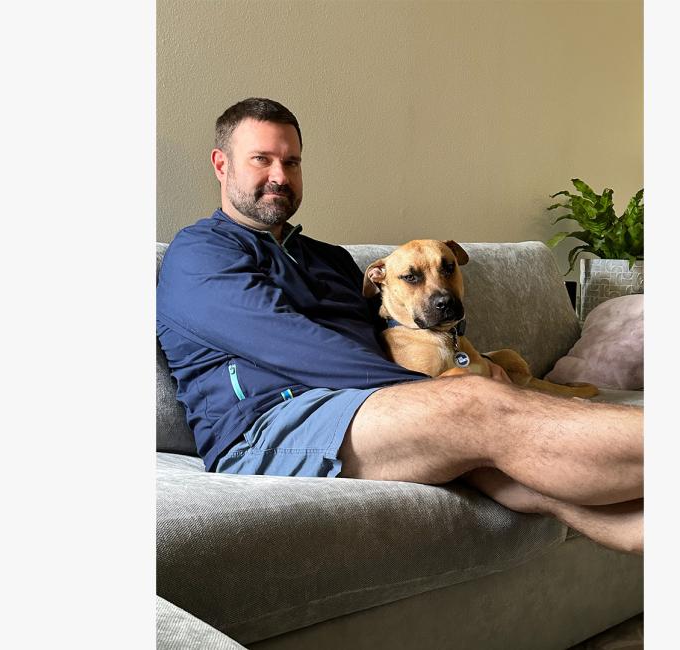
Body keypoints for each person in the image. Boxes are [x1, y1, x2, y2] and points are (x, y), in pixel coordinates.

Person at [157, 98, 643, 554]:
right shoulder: (200, 253)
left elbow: (393, 335)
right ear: (222, 165)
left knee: (538, 486)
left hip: (365, 408)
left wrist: (469, 366)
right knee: (478, 404)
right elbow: (289, 345)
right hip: (265, 428)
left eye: (292, 162)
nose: (279, 176)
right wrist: (433, 391)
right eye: (261, 159)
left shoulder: (330, 260)